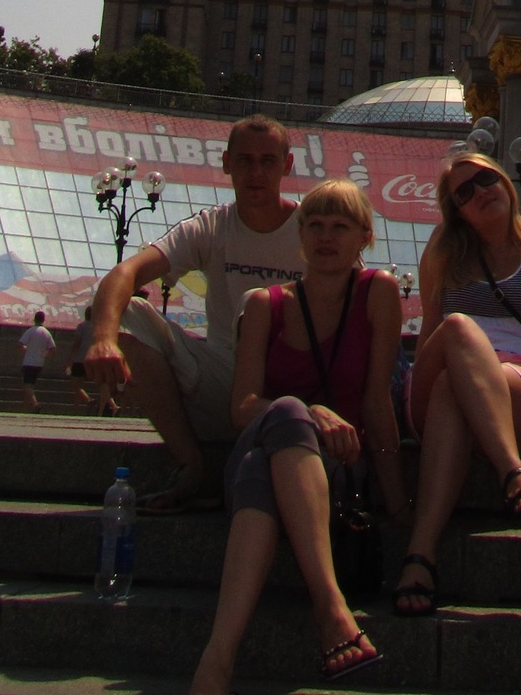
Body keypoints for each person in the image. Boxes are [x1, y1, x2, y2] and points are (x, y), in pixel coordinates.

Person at [188, 181, 408, 695]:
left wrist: (399, 508)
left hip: (335, 467)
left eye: (340, 227)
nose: (326, 237)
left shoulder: (377, 292)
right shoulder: (264, 305)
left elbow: (377, 401)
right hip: (270, 437)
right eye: (315, 226)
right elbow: (243, 409)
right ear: (300, 235)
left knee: (257, 470)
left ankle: (216, 663)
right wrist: (310, 413)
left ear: (365, 238)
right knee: (285, 411)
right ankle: (331, 608)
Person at [392, 153, 521, 617]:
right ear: (456, 211)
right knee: (457, 328)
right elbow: (432, 330)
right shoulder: (443, 249)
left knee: (451, 391)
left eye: (486, 178)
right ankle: (512, 472)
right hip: (440, 367)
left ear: (505, 182)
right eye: (465, 192)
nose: (480, 191)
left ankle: (420, 555)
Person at [85, 115, 305, 511]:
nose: (256, 172)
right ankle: (192, 464)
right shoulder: (212, 226)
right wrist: (103, 340)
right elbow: (124, 274)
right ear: (226, 163)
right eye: (245, 160)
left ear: (287, 165)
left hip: (293, 385)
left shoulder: (313, 227)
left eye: (268, 161)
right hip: (222, 376)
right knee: (124, 313)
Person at [20, 311, 55, 409]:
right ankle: (27, 406)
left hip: (29, 362)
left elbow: (20, 344)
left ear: (34, 319)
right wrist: (44, 355)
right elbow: (52, 348)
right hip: (39, 363)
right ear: (43, 320)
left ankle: (35, 404)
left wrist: (26, 350)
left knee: (27, 385)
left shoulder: (31, 331)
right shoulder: (46, 333)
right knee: (31, 385)